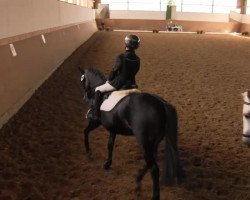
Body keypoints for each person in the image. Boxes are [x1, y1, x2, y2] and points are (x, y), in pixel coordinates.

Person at [91, 34, 141, 121]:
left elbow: (115, 70)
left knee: (98, 89)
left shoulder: (121, 57)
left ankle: (96, 115)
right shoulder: (138, 59)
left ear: (126, 44)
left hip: (118, 83)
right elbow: (135, 72)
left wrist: (109, 80)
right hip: (132, 84)